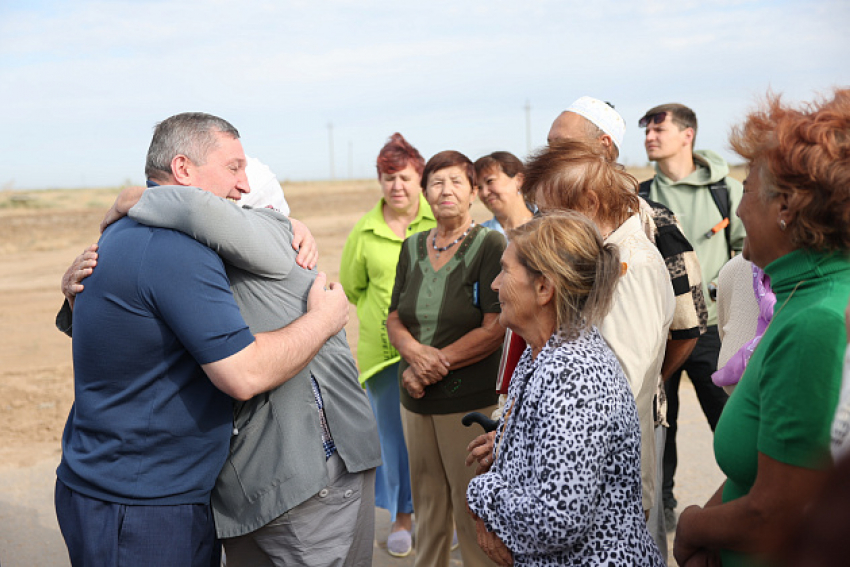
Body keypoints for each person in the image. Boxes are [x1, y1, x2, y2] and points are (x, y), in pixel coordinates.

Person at [52, 112, 354, 567]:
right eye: (233, 168)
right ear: (182, 169)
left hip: (116, 486)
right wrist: (324, 320)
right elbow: (244, 373)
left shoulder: (117, 233)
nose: (244, 186)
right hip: (144, 505)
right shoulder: (175, 250)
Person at [673, 88, 850, 567]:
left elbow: (776, 512)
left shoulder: (815, 322)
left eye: (747, 188)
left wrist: (690, 525)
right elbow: (760, 474)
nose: (740, 208)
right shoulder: (803, 292)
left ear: (786, 205)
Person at [466, 211, 664, 566]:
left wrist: (481, 492)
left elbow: (558, 519)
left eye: (505, 271)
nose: (495, 285)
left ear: (544, 288)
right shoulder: (542, 351)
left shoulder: (573, 375)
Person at [525, 140, 675, 525]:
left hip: (604, 484)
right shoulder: (599, 257)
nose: (542, 225)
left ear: (589, 204)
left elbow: (618, 383)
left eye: (547, 212)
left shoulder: (632, 265)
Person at [387, 150, 506, 567]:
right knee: (428, 501)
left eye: (457, 181)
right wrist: (415, 357)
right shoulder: (412, 245)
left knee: (471, 503)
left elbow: (495, 326)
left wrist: (433, 364)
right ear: (425, 194)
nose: (446, 191)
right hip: (415, 397)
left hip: (466, 401)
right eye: (436, 183)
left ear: (473, 191)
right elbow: (395, 316)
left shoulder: (491, 244)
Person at [639, 102, 745, 527]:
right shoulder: (640, 196)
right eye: (646, 129)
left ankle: (747, 499)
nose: (649, 135)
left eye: (658, 128)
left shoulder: (727, 191)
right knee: (661, 423)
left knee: (732, 422)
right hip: (659, 333)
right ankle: (661, 508)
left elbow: (749, 251)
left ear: (688, 135)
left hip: (715, 330)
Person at [339, 132, 435, 557]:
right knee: (393, 442)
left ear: (421, 179)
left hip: (438, 354)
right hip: (382, 358)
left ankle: (437, 513)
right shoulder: (364, 230)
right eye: (388, 177)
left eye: (405, 177)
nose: (397, 186)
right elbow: (353, 288)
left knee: (434, 439)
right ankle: (401, 516)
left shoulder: (440, 220)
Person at [473, 151, 535, 237]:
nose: (484, 193)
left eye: (490, 181)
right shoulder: (479, 238)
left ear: (518, 180)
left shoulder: (550, 226)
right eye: (479, 187)